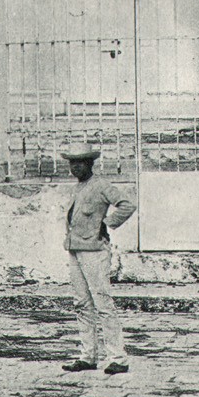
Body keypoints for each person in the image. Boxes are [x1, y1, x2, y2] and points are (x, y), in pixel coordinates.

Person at [59, 141, 136, 376]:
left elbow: (127, 205)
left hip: (95, 252)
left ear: (90, 164)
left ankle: (118, 358)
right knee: (81, 304)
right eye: (72, 163)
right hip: (75, 250)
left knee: (103, 303)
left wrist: (107, 223)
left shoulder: (101, 185)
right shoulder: (77, 188)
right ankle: (88, 356)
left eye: (79, 163)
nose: (75, 168)